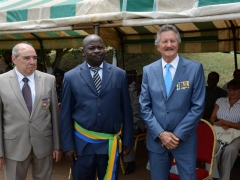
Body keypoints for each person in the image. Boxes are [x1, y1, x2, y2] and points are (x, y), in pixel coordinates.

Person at [60, 34, 134, 180]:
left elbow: (127, 110)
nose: (97, 50)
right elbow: (65, 114)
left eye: (100, 47)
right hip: (81, 145)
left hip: (109, 145)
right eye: (91, 48)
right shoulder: (71, 77)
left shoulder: (119, 74)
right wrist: (68, 145)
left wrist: (128, 140)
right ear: (83, 51)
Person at [139, 24, 205, 180]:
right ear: (158, 46)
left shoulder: (194, 69)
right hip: (157, 141)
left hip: (184, 140)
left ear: (178, 43)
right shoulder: (149, 70)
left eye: (172, 41)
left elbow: (198, 106)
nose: (169, 45)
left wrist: (176, 135)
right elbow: (144, 106)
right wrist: (161, 134)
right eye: (164, 41)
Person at [0, 42, 62, 180]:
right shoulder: (1, 82)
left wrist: (57, 145)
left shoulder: (48, 80)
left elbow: (54, 117)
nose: (32, 62)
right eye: (26, 58)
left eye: (34, 58)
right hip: (14, 147)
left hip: (43, 145)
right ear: (14, 59)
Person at [210, 79, 240, 180]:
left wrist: (227, 123)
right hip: (219, 131)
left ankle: (225, 177)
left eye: (235, 90)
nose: (232, 92)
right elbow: (213, 118)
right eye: (230, 90)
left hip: (236, 134)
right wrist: (221, 124)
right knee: (214, 147)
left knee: (230, 149)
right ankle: (213, 175)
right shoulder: (220, 100)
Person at [124, 74, 145, 174]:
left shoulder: (147, 95)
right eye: (136, 82)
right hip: (127, 119)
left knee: (128, 133)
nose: (137, 85)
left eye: (139, 83)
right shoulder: (131, 92)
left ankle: (130, 161)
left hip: (140, 121)